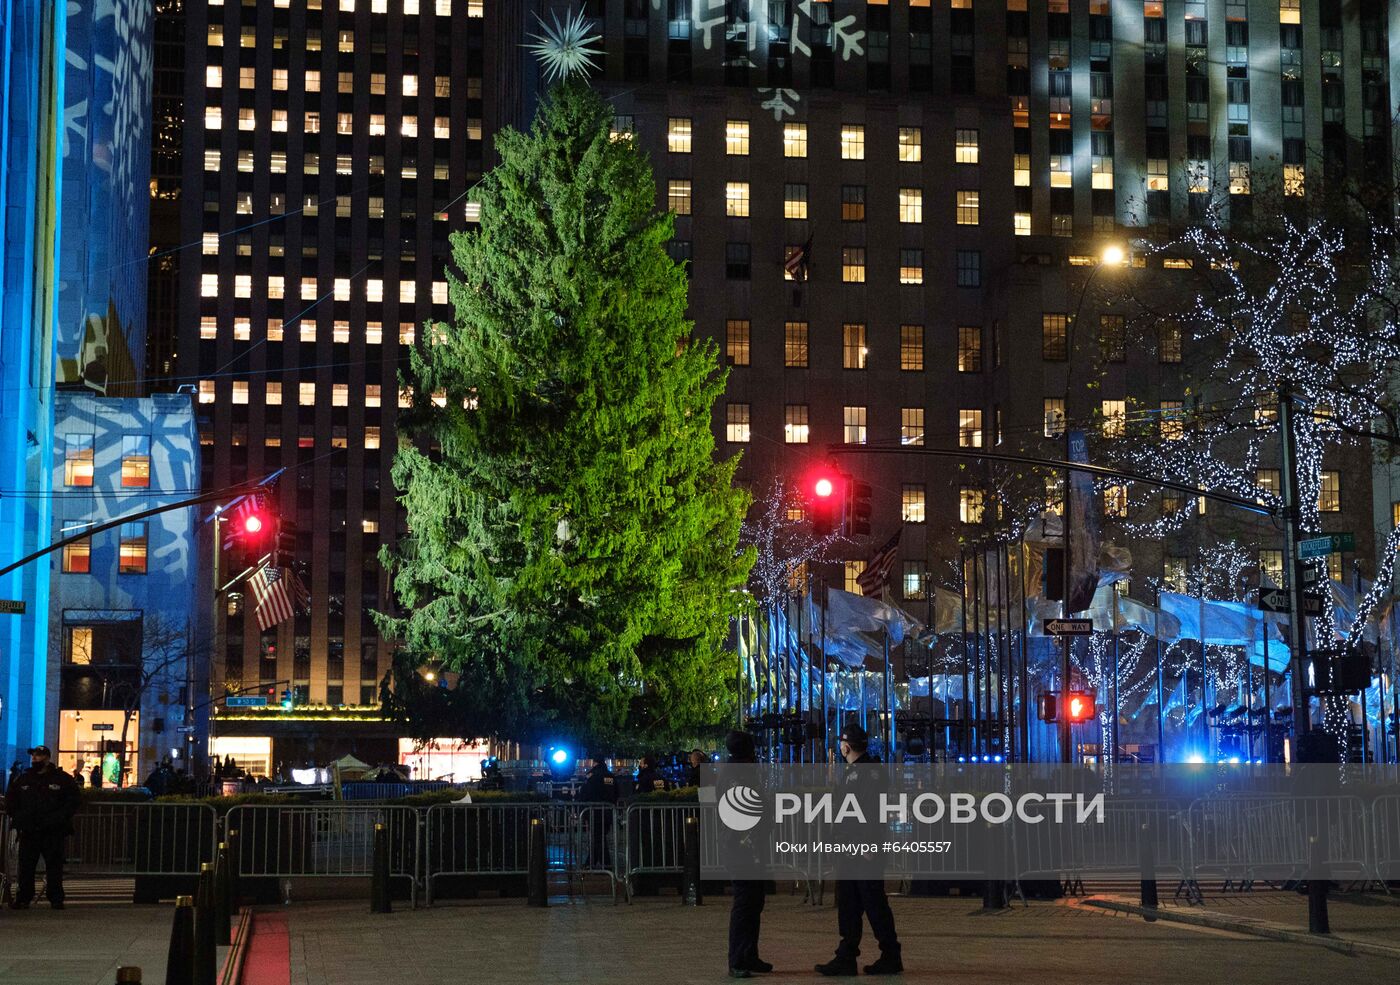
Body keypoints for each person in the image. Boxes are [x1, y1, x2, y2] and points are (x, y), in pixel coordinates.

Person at [815, 723, 902, 976]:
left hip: (863, 849)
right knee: (850, 903)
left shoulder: (868, 772)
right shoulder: (859, 771)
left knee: (873, 902)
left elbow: (872, 812)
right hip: (851, 848)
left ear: (846, 746)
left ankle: (890, 954)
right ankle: (847, 955)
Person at [4, 745, 82, 909]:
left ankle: (56, 898)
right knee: (26, 866)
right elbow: (11, 800)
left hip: (52, 830)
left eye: (38, 756)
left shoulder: (61, 778)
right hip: (29, 830)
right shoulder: (24, 778)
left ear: (47, 758)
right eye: (33, 756)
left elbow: (73, 800)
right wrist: (19, 817)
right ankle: (24, 897)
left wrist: (60, 818)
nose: (34, 759)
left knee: (54, 866)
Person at [725, 729, 771, 979]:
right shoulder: (737, 775)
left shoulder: (743, 772)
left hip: (752, 847)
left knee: (754, 902)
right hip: (742, 848)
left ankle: (749, 954)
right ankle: (737, 959)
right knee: (745, 904)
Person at [579, 758, 619, 868]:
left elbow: (585, 793)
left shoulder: (593, 776)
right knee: (599, 837)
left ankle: (606, 864)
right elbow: (617, 793)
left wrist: (582, 810)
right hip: (608, 810)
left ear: (595, 763)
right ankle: (590, 863)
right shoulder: (610, 776)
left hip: (594, 811)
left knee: (598, 837)